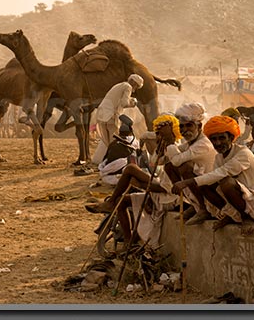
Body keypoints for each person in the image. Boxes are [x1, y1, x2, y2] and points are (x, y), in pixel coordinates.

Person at [171, 116, 254, 236]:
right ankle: (233, 215)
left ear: (231, 138)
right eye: (214, 139)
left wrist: (187, 182)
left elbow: (222, 173)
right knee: (204, 185)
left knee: (226, 183)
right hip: (241, 200)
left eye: (222, 138)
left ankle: (247, 218)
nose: (218, 143)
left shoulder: (243, 153)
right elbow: (213, 178)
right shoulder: (219, 157)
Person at [85, 114, 183, 247]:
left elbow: (168, 187)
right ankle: (127, 240)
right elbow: (155, 162)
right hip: (161, 185)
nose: (159, 138)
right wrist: (159, 150)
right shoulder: (165, 147)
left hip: (169, 196)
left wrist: (144, 186)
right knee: (124, 195)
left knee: (131, 169)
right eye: (158, 134)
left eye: (161, 134)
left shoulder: (175, 149)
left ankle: (111, 203)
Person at [164, 103, 217, 225]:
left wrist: (170, 140)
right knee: (169, 167)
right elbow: (163, 160)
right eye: (181, 127)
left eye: (189, 126)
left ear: (199, 126)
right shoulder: (190, 143)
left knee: (185, 167)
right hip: (200, 185)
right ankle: (195, 204)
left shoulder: (204, 143)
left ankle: (203, 209)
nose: (185, 130)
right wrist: (165, 139)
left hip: (211, 188)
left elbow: (177, 160)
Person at [91, 74, 144, 165]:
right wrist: (132, 103)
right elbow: (124, 103)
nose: (135, 88)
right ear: (134, 83)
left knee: (107, 141)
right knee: (114, 140)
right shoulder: (128, 87)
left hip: (102, 115)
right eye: (136, 86)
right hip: (110, 115)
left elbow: (118, 100)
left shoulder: (119, 85)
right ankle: (112, 162)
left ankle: (103, 161)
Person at [94, 115, 139, 186]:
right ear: (130, 132)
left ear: (119, 133)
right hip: (126, 174)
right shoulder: (135, 142)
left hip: (110, 177)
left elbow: (105, 160)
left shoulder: (113, 143)